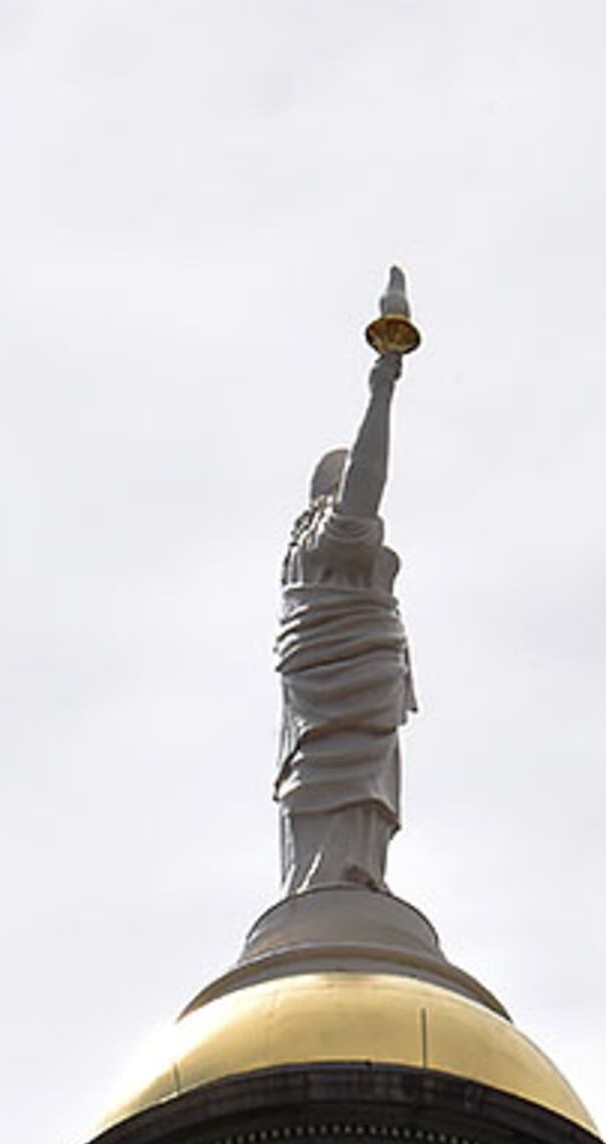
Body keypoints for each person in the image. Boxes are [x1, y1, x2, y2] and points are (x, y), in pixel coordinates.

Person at [274, 330, 418, 898]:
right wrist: (384, 383)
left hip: (359, 673)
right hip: (346, 678)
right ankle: (337, 883)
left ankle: (337, 882)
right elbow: (368, 479)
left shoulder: (309, 559)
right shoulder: (330, 540)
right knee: (334, 783)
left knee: (343, 790)